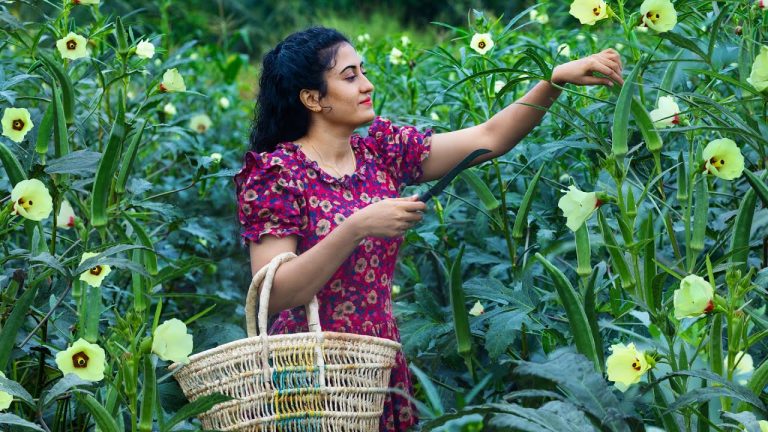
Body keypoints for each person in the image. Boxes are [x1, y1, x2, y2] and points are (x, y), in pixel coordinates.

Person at [234, 26, 623, 431]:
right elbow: (274, 293)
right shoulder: (278, 174)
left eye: (363, 71)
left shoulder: (380, 153)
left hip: (377, 363)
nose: (367, 84)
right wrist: (357, 226)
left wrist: (554, 79)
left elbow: (490, 137)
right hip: (307, 370)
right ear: (312, 98)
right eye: (350, 77)